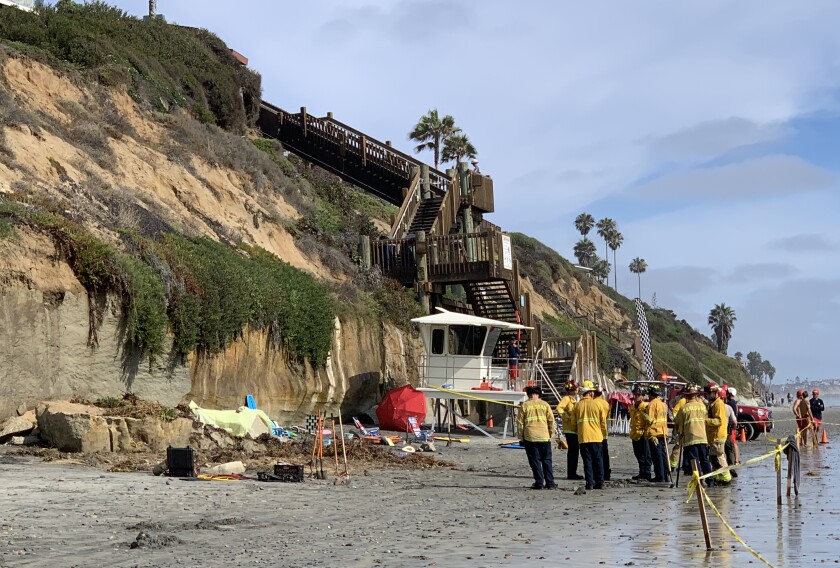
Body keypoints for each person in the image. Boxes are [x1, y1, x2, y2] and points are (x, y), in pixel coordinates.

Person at [674, 385, 715, 487]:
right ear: (696, 395)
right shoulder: (702, 406)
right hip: (702, 437)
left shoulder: (684, 408)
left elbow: (677, 421)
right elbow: (705, 418)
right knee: (705, 460)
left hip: (691, 438)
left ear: (687, 396)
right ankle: (710, 481)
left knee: (695, 461)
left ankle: (699, 480)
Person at [517, 386, 556, 489]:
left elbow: (520, 423)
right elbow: (551, 421)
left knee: (535, 461)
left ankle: (539, 483)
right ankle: (550, 483)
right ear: (539, 394)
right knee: (547, 460)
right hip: (544, 436)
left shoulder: (524, 406)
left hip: (530, 437)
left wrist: (521, 437)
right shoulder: (545, 405)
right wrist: (551, 434)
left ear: (528, 394)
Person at [576, 385, 605, 490]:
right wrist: (604, 434)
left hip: (583, 437)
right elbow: (603, 422)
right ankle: (600, 482)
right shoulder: (597, 404)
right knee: (598, 460)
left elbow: (574, 422)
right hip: (596, 437)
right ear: (591, 393)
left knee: (587, 461)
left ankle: (589, 483)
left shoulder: (577, 406)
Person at [704, 385, 732, 484]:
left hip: (718, 436)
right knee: (713, 458)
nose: (706, 396)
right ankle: (718, 477)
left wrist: (705, 421)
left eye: (708, 394)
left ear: (714, 393)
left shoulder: (718, 404)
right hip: (713, 436)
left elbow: (718, 421)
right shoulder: (713, 404)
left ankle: (726, 478)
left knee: (719, 457)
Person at [556, 381, 583, 480]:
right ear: (571, 390)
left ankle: (573, 472)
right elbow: (559, 408)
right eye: (576, 389)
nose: (577, 391)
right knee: (573, 451)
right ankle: (571, 473)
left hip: (574, 429)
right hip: (570, 429)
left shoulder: (573, 400)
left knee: (575, 451)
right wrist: (567, 417)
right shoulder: (566, 399)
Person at [644, 386, 669, 483]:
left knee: (656, 456)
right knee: (663, 455)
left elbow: (650, 420)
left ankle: (660, 476)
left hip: (654, 433)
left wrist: (644, 414)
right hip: (663, 432)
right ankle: (665, 475)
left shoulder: (652, 404)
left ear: (651, 395)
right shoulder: (663, 404)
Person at [629, 387, 652, 480]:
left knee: (646, 455)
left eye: (638, 395)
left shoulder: (645, 407)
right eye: (635, 395)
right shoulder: (633, 407)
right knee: (638, 454)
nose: (636, 397)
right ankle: (641, 472)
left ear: (642, 396)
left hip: (643, 433)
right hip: (635, 434)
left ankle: (647, 473)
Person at [593, 385, 611, 481]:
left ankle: (597, 474)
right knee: (605, 454)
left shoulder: (593, 403)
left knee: (596, 455)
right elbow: (607, 417)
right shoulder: (606, 403)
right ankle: (606, 473)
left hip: (595, 432)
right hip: (604, 432)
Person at [669, 388, 688, 471]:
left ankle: (686, 466)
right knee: (678, 447)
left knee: (683, 448)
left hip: (688, 430)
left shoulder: (694, 402)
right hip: (683, 429)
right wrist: (678, 422)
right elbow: (675, 412)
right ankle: (673, 466)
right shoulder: (682, 401)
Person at [725, 388, 740, 467]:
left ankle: (736, 460)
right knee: (734, 443)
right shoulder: (733, 402)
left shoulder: (730, 403)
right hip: (733, 426)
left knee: (733, 443)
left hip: (731, 426)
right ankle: (736, 460)